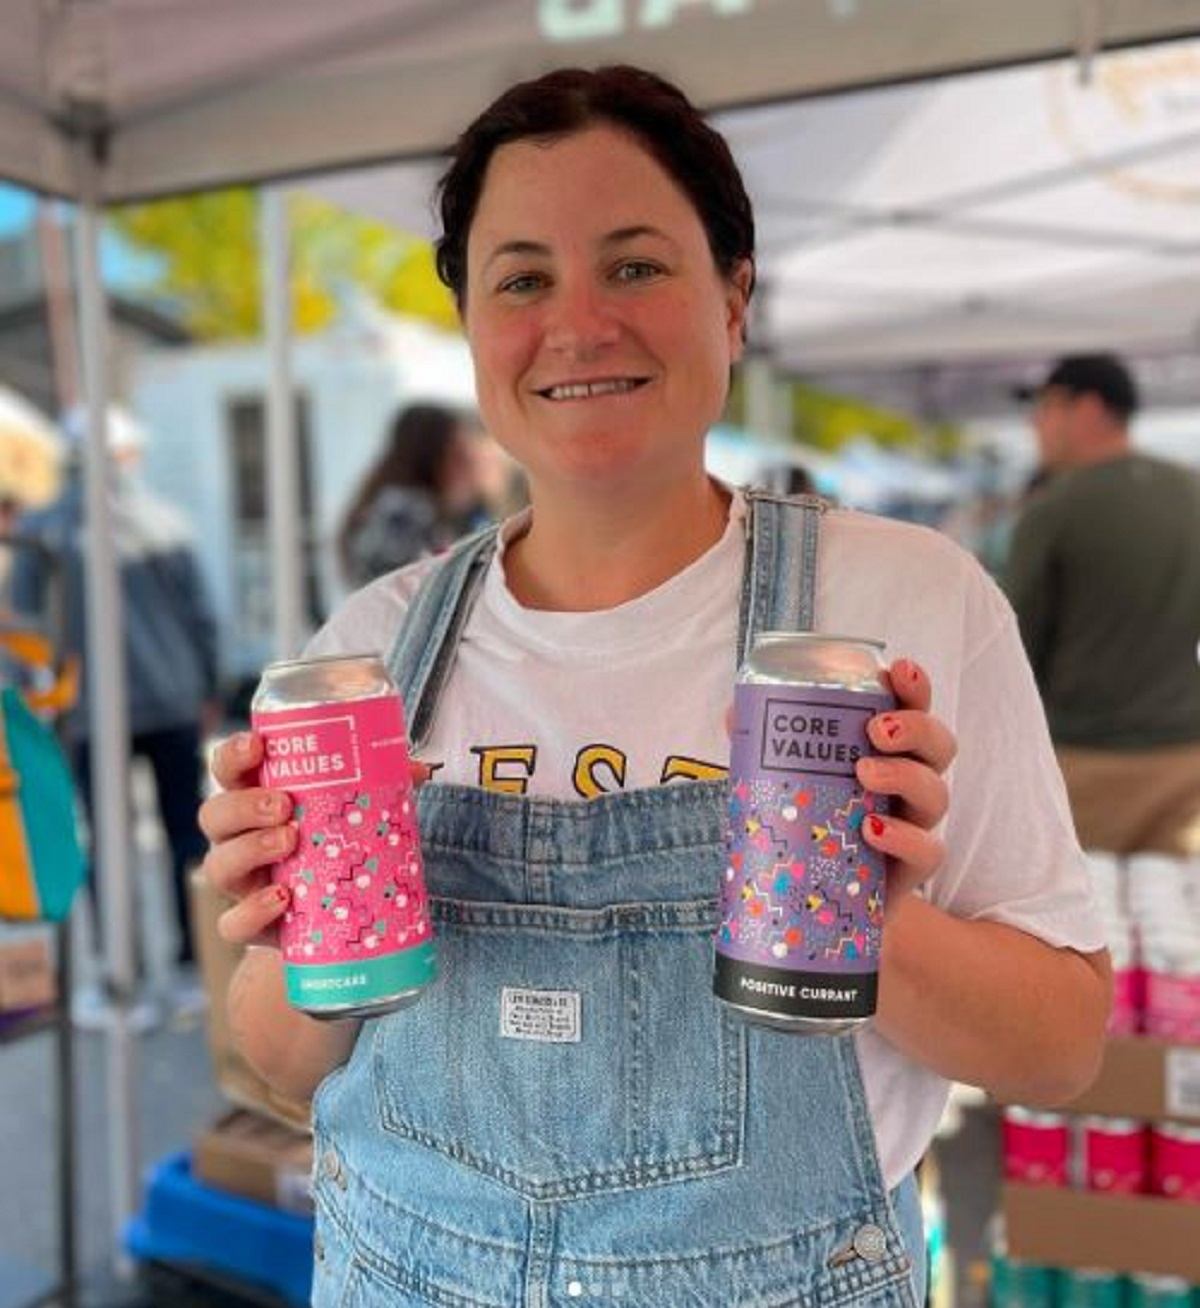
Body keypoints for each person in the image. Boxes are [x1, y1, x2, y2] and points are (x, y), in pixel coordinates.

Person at [201, 67, 1110, 1306]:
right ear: (471, 326)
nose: (578, 325)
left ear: (735, 300)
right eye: (522, 279)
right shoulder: (377, 643)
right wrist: (283, 923)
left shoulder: (905, 603)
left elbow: (1061, 1049)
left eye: (634, 266)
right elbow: (283, 1059)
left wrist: (859, 911)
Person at [14, 407, 221, 1019]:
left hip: (85, 710)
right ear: (130, 454)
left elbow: (20, 625)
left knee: (107, 842)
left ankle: (118, 973)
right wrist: (209, 686)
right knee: (187, 835)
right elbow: (202, 617)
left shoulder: (44, 532)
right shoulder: (165, 522)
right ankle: (193, 968)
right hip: (174, 700)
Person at [1006, 353, 1200, 857]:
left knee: (1095, 921)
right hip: (1187, 760)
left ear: (1088, 407)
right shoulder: (1190, 493)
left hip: (1086, 767)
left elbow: (1013, 650)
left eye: (1046, 407)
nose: (1036, 425)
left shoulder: (1054, 508)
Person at [337, 403, 490, 588]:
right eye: (458, 456)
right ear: (432, 457)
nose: (467, 468)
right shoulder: (406, 514)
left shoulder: (393, 504)